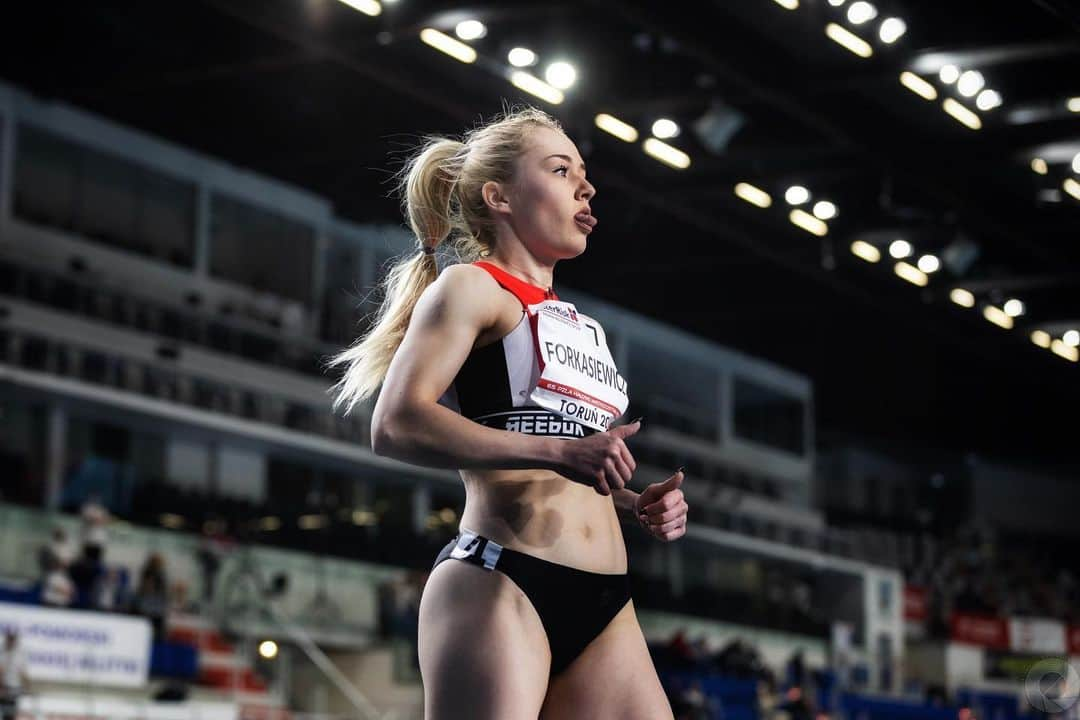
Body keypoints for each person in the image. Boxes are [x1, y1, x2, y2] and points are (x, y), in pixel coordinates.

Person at [329, 107, 690, 719]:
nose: (587, 185)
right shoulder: (471, 288)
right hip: (503, 578)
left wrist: (634, 501)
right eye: (559, 169)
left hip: (607, 602)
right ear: (498, 196)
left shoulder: (581, 327)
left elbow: (559, 451)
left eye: (584, 173)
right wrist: (565, 453)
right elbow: (396, 423)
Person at [0, 630, 30, 720]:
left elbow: (23, 672)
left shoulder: (19, 654)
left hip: (14, 687)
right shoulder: (2, 653)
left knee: (10, 713)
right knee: (5, 711)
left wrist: (27, 686)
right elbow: (1, 671)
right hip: (4, 687)